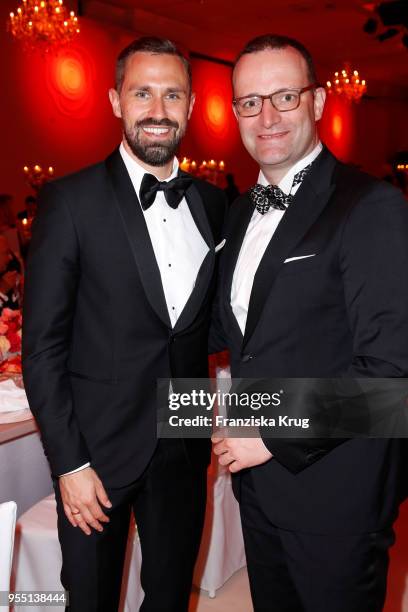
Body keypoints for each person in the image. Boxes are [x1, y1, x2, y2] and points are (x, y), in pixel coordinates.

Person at [22, 36, 226, 612]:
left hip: (183, 445)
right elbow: (42, 349)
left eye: (172, 95)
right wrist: (69, 463)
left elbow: (206, 326)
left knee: (169, 596)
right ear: (115, 101)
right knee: (90, 599)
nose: (157, 110)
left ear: (188, 105)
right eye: (142, 93)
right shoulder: (69, 201)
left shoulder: (213, 205)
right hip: (96, 451)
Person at [211, 34, 408, 612]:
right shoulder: (241, 210)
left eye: (285, 97)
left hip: (336, 492)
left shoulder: (370, 207)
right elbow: (237, 338)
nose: (266, 116)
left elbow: (392, 377)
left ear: (319, 102)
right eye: (249, 101)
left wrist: (268, 433)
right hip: (260, 491)